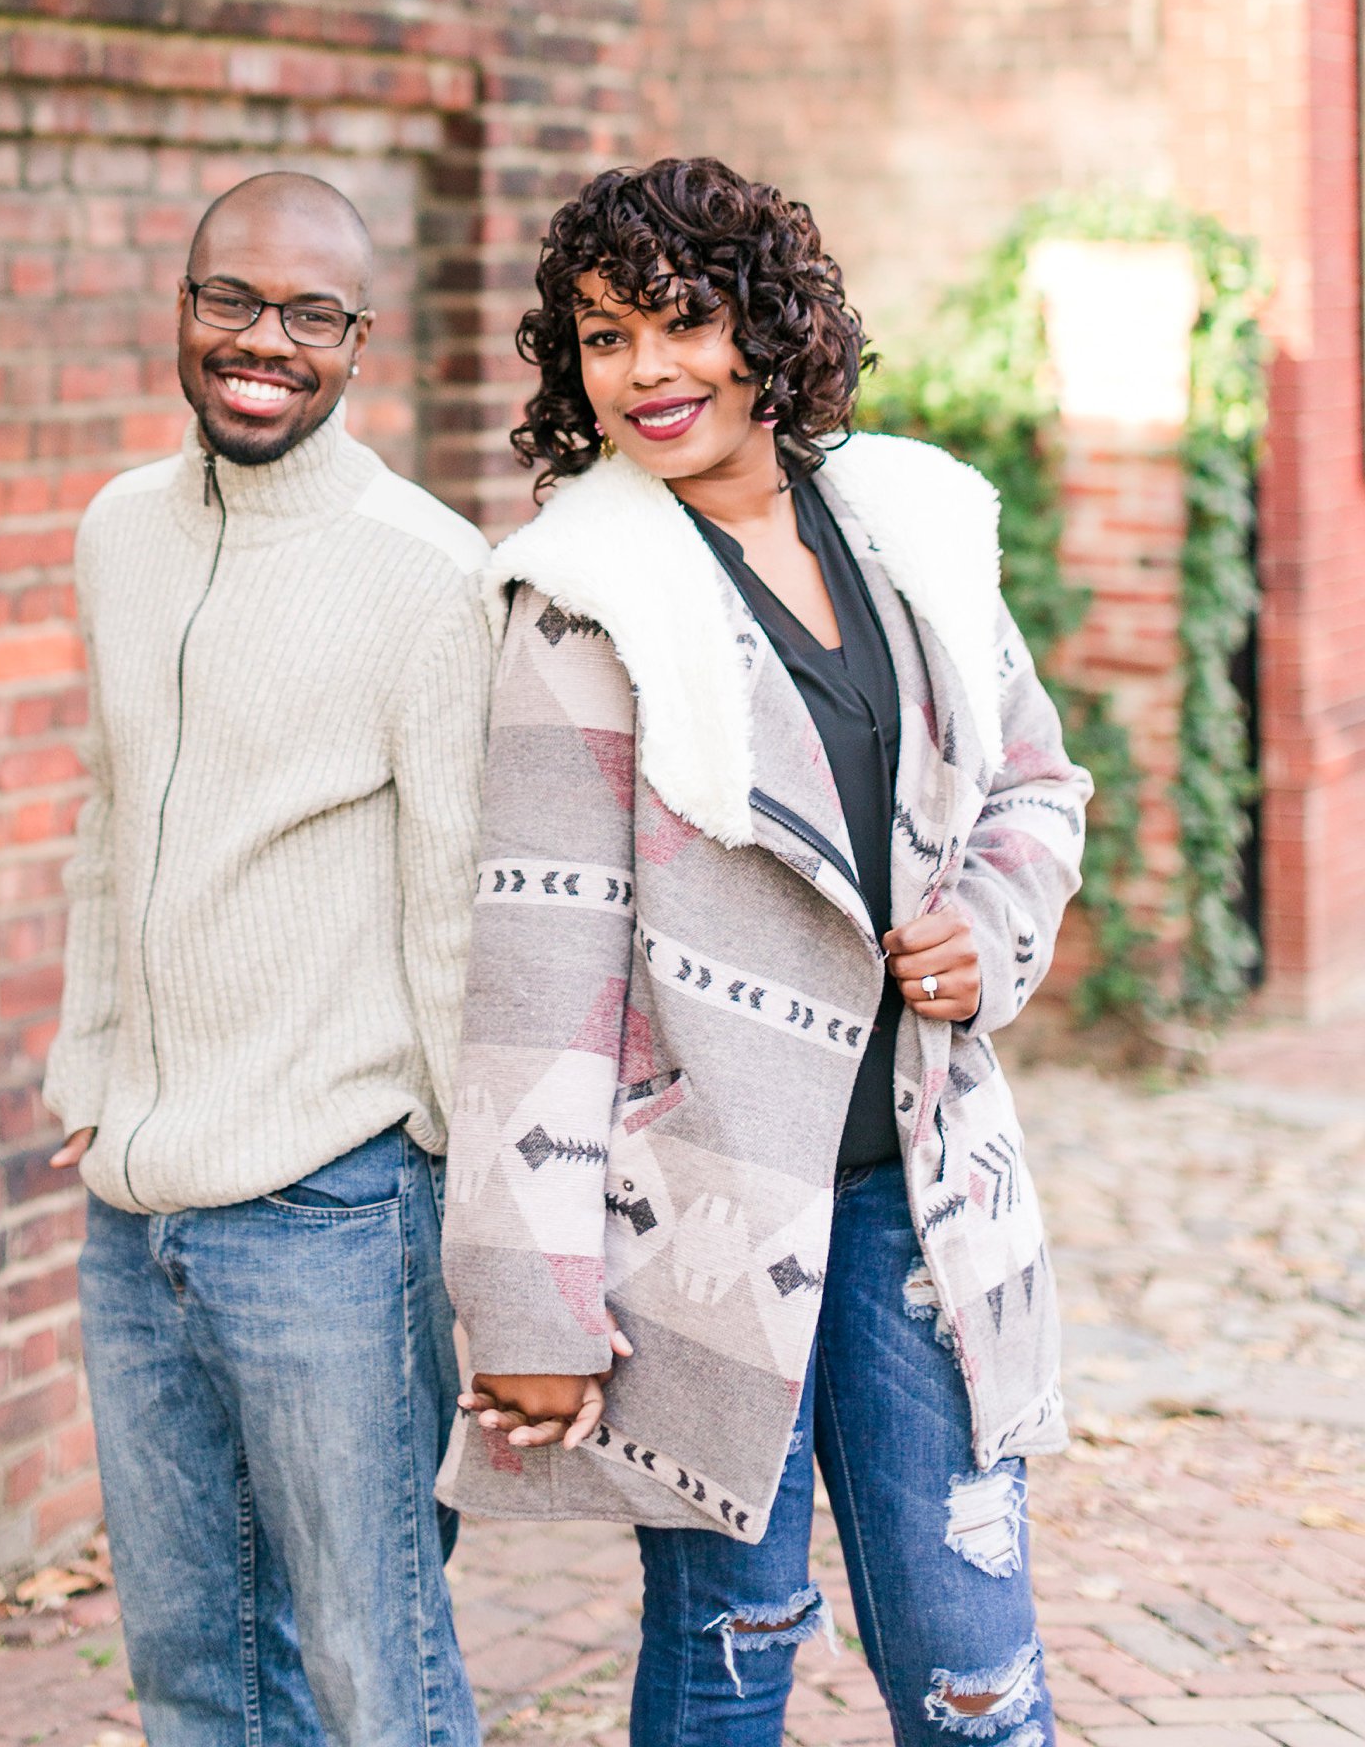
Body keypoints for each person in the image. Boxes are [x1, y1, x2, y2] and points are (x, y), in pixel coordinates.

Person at [440, 157, 1091, 1747]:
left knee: (975, 1658)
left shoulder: (910, 531)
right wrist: (529, 1305)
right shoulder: (581, 601)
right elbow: (543, 964)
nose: (648, 373)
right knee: (732, 1641)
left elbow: (1034, 784)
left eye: (685, 321)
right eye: (604, 337)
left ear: (770, 324)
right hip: (706, 1220)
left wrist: (991, 929)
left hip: (920, 1194)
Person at [45, 169, 494, 1747]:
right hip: (138, 1208)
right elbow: (110, 822)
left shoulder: (431, 574)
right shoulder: (118, 533)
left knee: (383, 1678)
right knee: (195, 1674)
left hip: (336, 1209)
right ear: (180, 307)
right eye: (230, 299)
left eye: (310, 315)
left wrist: (473, 1225)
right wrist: (92, 1076)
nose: (263, 341)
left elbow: (459, 925)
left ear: (360, 344)